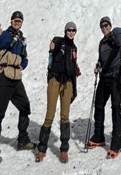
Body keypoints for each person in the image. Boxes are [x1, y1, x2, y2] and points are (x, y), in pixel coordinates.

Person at [0, 10, 35, 163]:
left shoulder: (21, 40)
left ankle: (22, 140)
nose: (17, 22)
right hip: (4, 79)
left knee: (25, 107)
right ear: (11, 20)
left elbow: (24, 58)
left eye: (19, 21)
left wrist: (23, 66)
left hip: (16, 79)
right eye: (15, 20)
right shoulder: (5, 35)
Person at [35, 21, 81, 163]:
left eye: (73, 30)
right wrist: (51, 49)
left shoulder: (74, 48)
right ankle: (42, 149)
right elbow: (52, 54)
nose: (71, 32)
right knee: (50, 115)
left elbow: (73, 68)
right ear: (65, 31)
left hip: (68, 83)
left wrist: (74, 88)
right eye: (69, 30)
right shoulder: (58, 41)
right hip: (55, 81)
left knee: (65, 116)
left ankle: (64, 149)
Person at [87, 16, 121, 159]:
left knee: (115, 108)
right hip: (104, 77)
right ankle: (99, 136)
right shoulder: (101, 42)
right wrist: (98, 66)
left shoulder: (116, 36)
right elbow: (101, 59)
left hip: (116, 77)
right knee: (99, 105)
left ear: (110, 26)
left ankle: (116, 143)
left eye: (106, 25)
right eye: (102, 26)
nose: (104, 28)